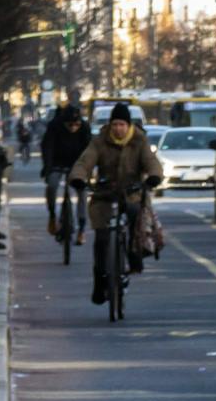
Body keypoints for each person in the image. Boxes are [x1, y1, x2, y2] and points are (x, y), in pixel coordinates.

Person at [69, 102, 164, 307]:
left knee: (133, 217)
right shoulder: (100, 141)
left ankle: (133, 252)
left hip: (132, 193)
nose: (118, 128)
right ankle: (100, 279)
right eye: (115, 124)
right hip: (105, 193)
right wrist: (78, 178)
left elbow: (151, 162)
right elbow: (84, 162)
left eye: (122, 124)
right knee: (102, 238)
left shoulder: (139, 141)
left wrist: (154, 177)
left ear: (128, 125)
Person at [40, 103, 92, 240]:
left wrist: (88, 171)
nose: (74, 127)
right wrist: (47, 168)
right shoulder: (54, 126)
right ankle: (52, 216)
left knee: (82, 191)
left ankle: (81, 228)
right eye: (70, 125)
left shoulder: (85, 127)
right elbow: (48, 147)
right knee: (52, 185)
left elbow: (89, 151)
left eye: (77, 125)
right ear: (64, 123)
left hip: (77, 163)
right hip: (57, 162)